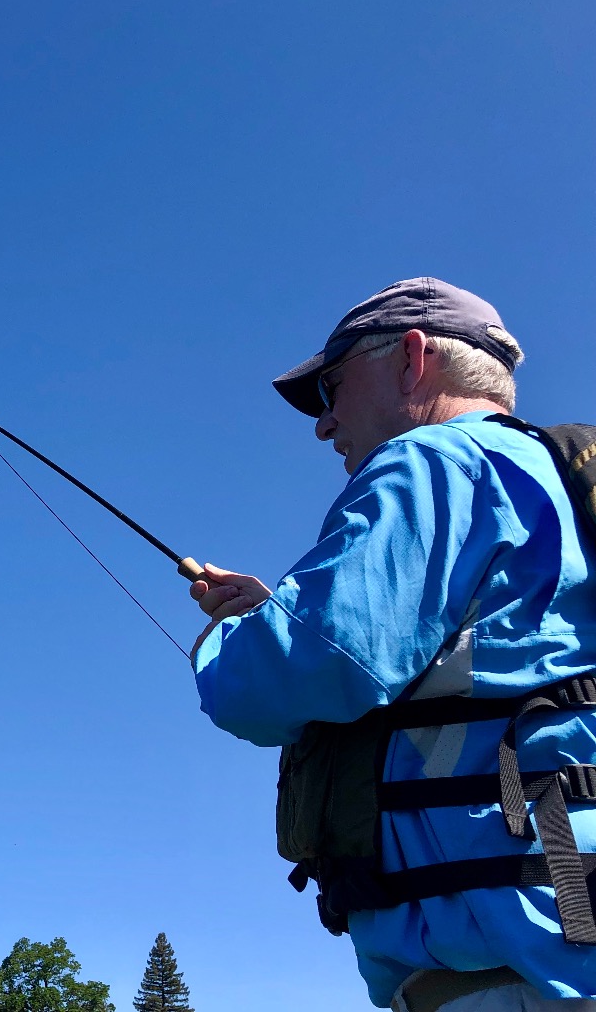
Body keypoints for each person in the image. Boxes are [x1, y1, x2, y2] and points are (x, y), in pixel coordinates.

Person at [189, 277, 596, 1012]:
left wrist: (227, 636)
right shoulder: (553, 481)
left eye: (332, 387)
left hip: (511, 975)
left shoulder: (434, 461)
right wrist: (276, 610)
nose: (323, 422)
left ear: (412, 359)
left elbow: (306, 666)